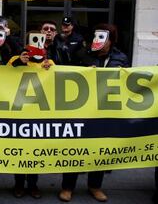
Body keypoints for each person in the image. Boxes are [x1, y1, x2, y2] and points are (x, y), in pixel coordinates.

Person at [58, 24, 128, 203]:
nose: (98, 41)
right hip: (82, 109)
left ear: (111, 40)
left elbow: (127, 81)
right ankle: (67, 187)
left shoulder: (121, 58)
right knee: (75, 149)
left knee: (100, 147)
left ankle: (95, 186)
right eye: (96, 37)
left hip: (105, 110)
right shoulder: (83, 54)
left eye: (102, 38)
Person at [7, 31, 53, 199]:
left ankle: (33, 185)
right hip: (19, 113)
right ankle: (19, 184)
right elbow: (5, 74)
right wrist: (20, 61)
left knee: (34, 152)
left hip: (39, 115)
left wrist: (49, 69)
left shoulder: (49, 62)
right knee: (20, 151)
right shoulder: (16, 59)